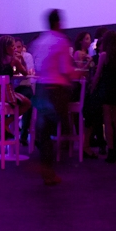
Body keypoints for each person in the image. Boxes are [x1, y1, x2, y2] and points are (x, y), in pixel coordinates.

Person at [31, 9, 78, 185]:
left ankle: (46, 168)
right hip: (57, 90)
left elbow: (37, 67)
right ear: (58, 23)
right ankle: (48, 169)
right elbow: (65, 69)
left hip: (42, 88)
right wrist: (78, 74)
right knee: (63, 131)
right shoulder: (61, 41)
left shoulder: (39, 41)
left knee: (45, 132)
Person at [0, 35, 32, 138]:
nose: (15, 48)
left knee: (12, 101)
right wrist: (21, 60)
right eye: (13, 46)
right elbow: (25, 73)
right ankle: (5, 122)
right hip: (5, 95)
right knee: (27, 103)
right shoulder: (13, 60)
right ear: (6, 47)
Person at [93, 31, 116, 163]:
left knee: (107, 121)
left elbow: (98, 75)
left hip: (106, 89)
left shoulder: (104, 55)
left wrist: (92, 88)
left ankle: (111, 150)